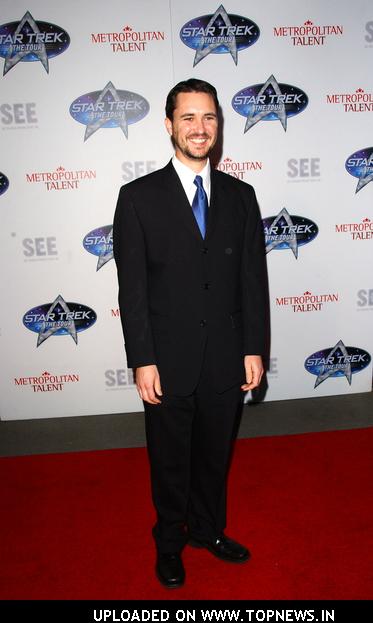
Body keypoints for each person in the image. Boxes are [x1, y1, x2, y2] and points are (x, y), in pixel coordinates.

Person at [113, 78, 267, 589]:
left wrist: (253, 348)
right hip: (168, 359)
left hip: (226, 356)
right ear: (168, 125)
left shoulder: (242, 197)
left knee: (214, 456)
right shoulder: (137, 198)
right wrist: (142, 358)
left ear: (218, 126)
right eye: (188, 118)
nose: (199, 129)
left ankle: (208, 530)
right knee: (170, 460)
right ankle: (169, 544)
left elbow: (252, 281)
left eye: (209, 118)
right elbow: (131, 289)